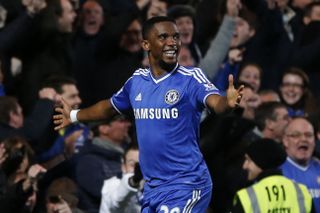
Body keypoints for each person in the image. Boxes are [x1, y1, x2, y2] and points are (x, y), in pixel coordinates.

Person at [54, 16, 243, 212]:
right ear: (146, 44)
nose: (172, 43)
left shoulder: (191, 78)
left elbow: (215, 102)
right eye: (163, 37)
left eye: (176, 37)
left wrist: (227, 104)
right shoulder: (137, 81)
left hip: (186, 184)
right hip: (152, 188)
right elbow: (108, 108)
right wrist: (74, 116)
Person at [231, 138, 314, 213]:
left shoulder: (247, 197)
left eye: (249, 160)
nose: (244, 166)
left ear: (261, 162)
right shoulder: (302, 192)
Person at [281, 117, 320, 212]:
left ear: (314, 141)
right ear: (285, 141)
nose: (303, 139)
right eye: (295, 135)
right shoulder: (277, 172)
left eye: (308, 135)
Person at [100, 144, 142, 213]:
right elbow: (116, 202)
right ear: (123, 166)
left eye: (141, 165)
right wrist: (134, 180)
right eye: (132, 165)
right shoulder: (110, 185)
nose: (137, 170)